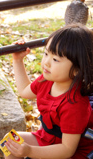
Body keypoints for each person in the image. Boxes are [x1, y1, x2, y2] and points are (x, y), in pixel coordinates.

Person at [5, 23, 93, 159]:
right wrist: (17, 60)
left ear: (77, 69)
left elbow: (67, 150)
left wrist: (30, 151)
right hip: (48, 138)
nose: (46, 62)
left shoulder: (75, 105)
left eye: (55, 59)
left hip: (68, 152)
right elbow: (24, 91)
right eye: (46, 53)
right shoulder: (46, 81)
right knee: (9, 141)